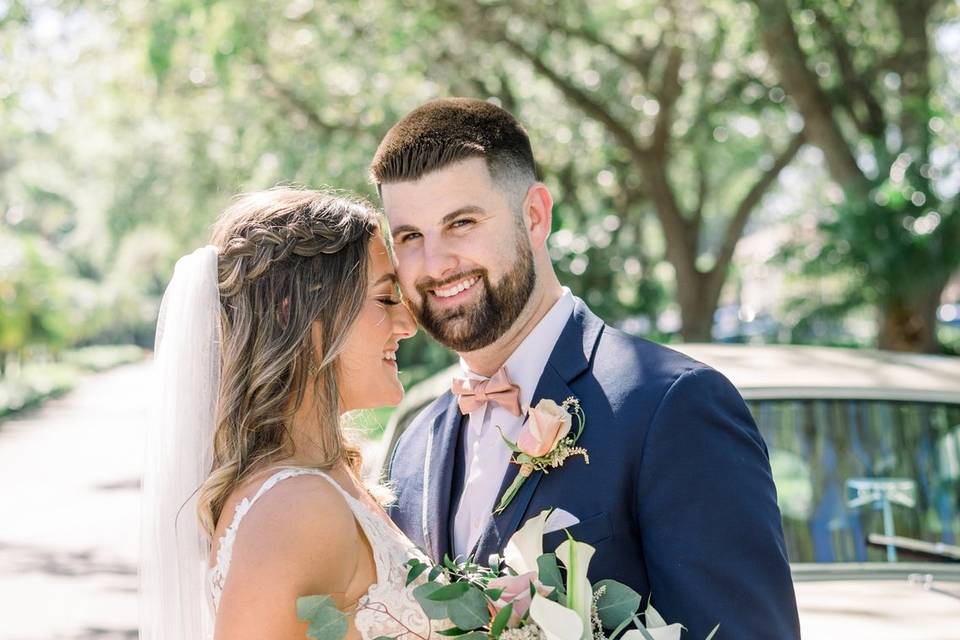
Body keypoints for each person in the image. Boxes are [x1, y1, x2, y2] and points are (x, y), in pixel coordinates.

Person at [373, 98, 801, 638]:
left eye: (461, 223)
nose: (434, 264)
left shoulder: (672, 406)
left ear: (534, 215)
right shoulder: (414, 447)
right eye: (410, 236)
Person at [139, 188, 434, 640]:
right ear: (296, 313)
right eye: (384, 297)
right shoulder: (296, 508)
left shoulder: (329, 477)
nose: (407, 323)